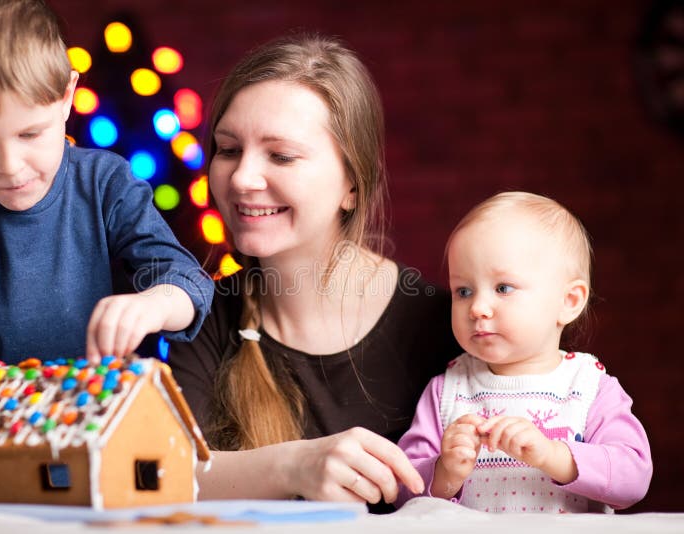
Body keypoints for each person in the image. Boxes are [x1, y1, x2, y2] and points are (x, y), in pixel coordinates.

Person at [0, 0, 213, 494]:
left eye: (31, 133)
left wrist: (156, 303)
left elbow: (188, 279)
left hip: (88, 450)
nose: (10, 165)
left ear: (68, 95)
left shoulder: (105, 183)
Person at [167, 33, 460, 511]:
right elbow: (162, 472)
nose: (241, 178)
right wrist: (296, 466)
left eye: (280, 155)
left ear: (351, 183)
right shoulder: (201, 319)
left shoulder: (445, 326)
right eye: (227, 149)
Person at [396, 191, 652, 513]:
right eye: (463, 291)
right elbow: (401, 487)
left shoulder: (589, 387)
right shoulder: (448, 390)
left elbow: (633, 478)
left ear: (569, 301)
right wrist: (445, 473)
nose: (477, 307)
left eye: (503, 288)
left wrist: (552, 455)